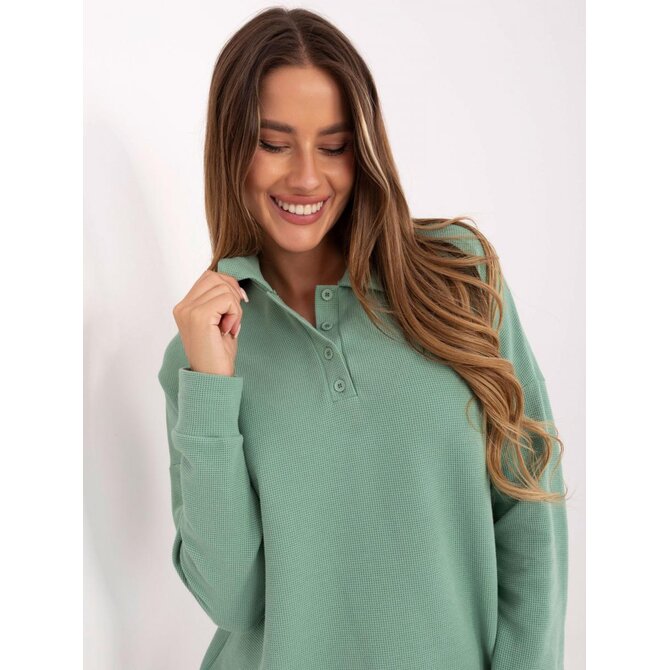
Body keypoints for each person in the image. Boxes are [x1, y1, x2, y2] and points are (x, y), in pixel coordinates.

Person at [157, 7, 570, 670]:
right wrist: (209, 387)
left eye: (334, 145)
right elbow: (232, 600)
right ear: (232, 148)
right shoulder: (202, 350)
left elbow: (529, 507)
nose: (306, 177)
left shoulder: (459, 276)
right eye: (274, 143)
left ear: (365, 149)